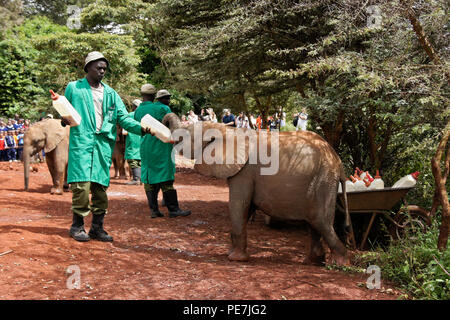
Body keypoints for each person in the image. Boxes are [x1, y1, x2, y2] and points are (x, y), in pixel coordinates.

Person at [63, 51, 151, 242]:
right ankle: (77, 226)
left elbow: (124, 118)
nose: (102, 71)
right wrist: (63, 118)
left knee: (100, 188)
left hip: (102, 145)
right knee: (81, 186)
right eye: (98, 67)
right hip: (82, 143)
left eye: (104, 68)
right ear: (88, 67)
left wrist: (142, 128)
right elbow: (65, 110)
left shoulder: (111, 93)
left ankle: (97, 228)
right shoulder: (74, 88)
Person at [134, 87, 191, 219]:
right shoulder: (163, 109)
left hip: (145, 147)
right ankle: (173, 209)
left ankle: (154, 210)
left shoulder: (138, 110)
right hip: (162, 146)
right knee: (166, 176)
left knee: (148, 176)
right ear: (155, 95)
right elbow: (173, 128)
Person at [124, 99, 143, 185]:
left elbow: (124, 130)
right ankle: (142, 179)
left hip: (132, 139)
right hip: (143, 139)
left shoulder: (129, 115)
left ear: (134, 107)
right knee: (141, 158)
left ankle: (136, 179)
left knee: (132, 158)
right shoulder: (145, 115)